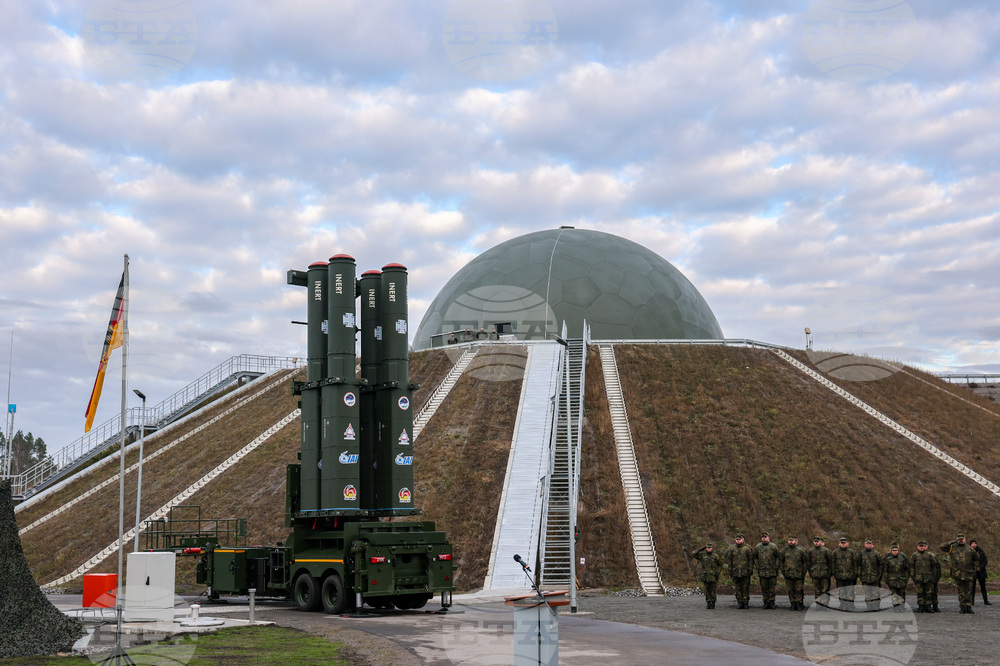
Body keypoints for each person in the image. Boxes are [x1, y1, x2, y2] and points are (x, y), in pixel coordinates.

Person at [941, 533, 980, 614]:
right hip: (957, 573)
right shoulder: (952, 547)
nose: (961, 540)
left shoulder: (970, 549)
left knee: (969, 591)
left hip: (968, 573)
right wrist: (953, 541)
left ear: (965, 540)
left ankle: (968, 607)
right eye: (959, 539)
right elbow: (942, 546)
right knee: (961, 591)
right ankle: (962, 607)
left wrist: (974, 569)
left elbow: (976, 559)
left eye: (962, 539)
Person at [725, 533, 755, 609]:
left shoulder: (747, 549)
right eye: (737, 539)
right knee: (738, 588)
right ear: (735, 540)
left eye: (739, 539)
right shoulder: (732, 549)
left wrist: (750, 570)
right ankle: (739, 601)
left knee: (745, 587)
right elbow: (729, 560)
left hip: (745, 572)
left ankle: (745, 602)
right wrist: (730, 571)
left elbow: (751, 560)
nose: (738, 541)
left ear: (743, 540)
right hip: (735, 571)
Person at [911, 540, 941, 613]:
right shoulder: (914, 555)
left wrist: (934, 577)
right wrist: (913, 577)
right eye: (920, 546)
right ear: (917, 547)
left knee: (929, 593)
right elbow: (912, 567)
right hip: (918, 577)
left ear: (925, 547)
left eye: (923, 546)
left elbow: (934, 567)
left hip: (929, 577)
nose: (921, 548)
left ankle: (928, 606)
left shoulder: (930, 555)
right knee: (920, 593)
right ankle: (921, 607)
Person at [781, 535, 810, 610]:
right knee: (790, 590)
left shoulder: (800, 550)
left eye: (792, 540)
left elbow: (805, 562)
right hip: (788, 573)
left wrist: (803, 572)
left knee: (798, 590)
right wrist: (783, 572)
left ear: (795, 541)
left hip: (798, 573)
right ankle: (792, 603)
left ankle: (798, 603)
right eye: (789, 540)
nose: (791, 542)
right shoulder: (784, 550)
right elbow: (781, 562)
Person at [755, 532, 781, 610]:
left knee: (772, 588)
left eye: (765, 537)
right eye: (763, 537)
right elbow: (755, 557)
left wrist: (776, 567)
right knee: (764, 588)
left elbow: (778, 557)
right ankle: (765, 602)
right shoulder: (758, 547)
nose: (764, 538)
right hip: (762, 571)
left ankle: (772, 602)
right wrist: (758, 566)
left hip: (772, 571)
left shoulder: (773, 546)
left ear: (768, 538)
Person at [694, 541, 723, 609]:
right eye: (707, 547)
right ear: (706, 548)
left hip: (713, 575)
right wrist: (701, 549)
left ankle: (713, 603)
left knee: (712, 590)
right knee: (707, 590)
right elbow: (694, 554)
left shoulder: (715, 556)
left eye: (710, 547)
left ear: (712, 548)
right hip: (705, 575)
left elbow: (720, 564)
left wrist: (717, 572)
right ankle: (708, 602)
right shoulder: (702, 555)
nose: (709, 549)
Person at [833, 537, 860, 609]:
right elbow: (833, 564)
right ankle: (842, 605)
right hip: (840, 575)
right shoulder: (835, 552)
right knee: (841, 591)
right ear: (839, 544)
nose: (843, 544)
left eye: (844, 543)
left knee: (850, 591)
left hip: (850, 575)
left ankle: (850, 605)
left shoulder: (852, 552)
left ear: (848, 543)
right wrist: (834, 573)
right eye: (842, 543)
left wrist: (855, 574)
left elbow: (855, 564)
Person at [859, 538, 884, 610]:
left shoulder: (877, 554)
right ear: (864, 544)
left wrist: (879, 576)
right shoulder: (861, 553)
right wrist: (860, 575)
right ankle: (869, 606)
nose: (868, 545)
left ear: (872, 545)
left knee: (875, 592)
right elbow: (858, 565)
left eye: (869, 544)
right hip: (865, 577)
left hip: (874, 577)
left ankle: (876, 606)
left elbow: (881, 565)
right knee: (867, 593)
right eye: (867, 544)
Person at [883, 543, 910, 609]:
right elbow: (885, 570)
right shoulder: (888, 559)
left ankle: (902, 607)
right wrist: (886, 580)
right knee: (894, 594)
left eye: (896, 550)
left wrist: (906, 578)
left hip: (901, 579)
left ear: (898, 551)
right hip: (892, 579)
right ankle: (895, 607)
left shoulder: (902, 558)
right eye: (893, 551)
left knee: (901, 594)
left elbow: (907, 569)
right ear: (891, 551)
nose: (895, 552)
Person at [808, 536, 834, 604]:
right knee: (817, 590)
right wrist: (810, 572)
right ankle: (818, 604)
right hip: (815, 573)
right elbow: (808, 562)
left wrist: (830, 573)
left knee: (824, 590)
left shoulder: (826, 551)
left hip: (824, 573)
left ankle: (825, 604)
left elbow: (831, 562)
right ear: (813, 542)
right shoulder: (810, 551)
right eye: (815, 542)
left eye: (818, 541)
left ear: (820, 542)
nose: (816, 543)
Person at [970, 539, 990, 606]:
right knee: (972, 587)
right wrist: (975, 568)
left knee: (983, 587)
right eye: (972, 543)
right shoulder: (969, 552)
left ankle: (986, 601)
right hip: (973, 572)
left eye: (975, 543)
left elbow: (985, 561)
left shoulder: (981, 551)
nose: (974, 545)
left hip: (981, 571)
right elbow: (968, 562)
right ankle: (972, 601)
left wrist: (980, 567)